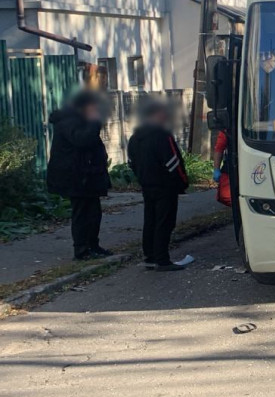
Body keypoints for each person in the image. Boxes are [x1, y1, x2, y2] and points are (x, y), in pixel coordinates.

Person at [47, 91, 113, 261]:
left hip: (87, 176)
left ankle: (93, 245)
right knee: (82, 212)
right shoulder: (69, 121)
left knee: (93, 212)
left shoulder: (78, 120)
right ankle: (81, 249)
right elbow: (82, 140)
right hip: (76, 177)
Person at [127, 99, 189, 271]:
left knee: (151, 220)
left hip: (147, 185)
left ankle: (150, 256)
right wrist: (182, 183)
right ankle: (162, 259)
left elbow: (131, 162)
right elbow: (173, 162)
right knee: (165, 221)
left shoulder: (135, 137)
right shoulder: (162, 135)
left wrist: (141, 177)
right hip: (165, 185)